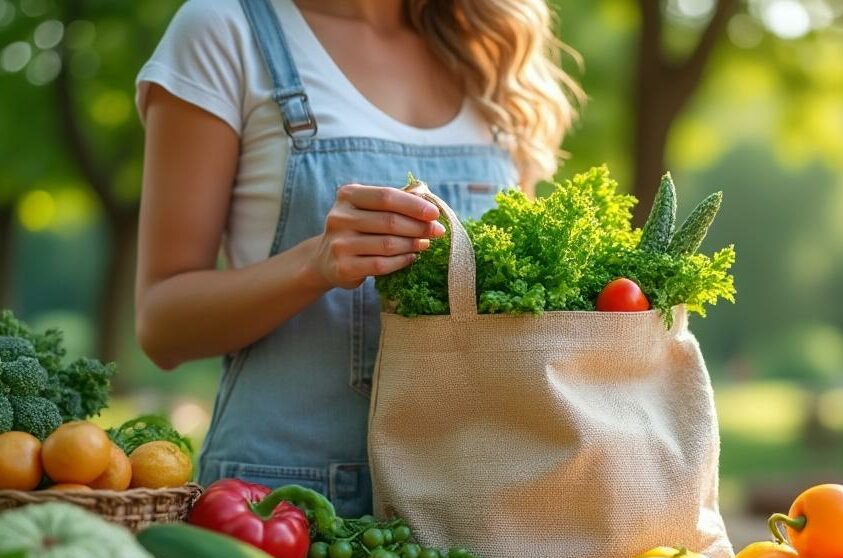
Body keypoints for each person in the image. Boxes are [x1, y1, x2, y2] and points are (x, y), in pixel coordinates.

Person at [134, 0, 581, 517]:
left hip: (467, 505)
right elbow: (160, 324)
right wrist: (314, 264)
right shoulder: (224, 29)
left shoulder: (492, 51)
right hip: (281, 509)